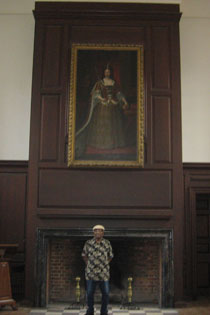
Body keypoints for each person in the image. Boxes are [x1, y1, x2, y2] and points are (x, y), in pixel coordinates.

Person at [75, 65, 129, 158]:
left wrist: (125, 101)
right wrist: (101, 98)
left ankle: (112, 144)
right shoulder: (99, 83)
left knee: (112, 125)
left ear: (111, 72)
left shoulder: (114, 83)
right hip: (102, 106)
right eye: (106, 71)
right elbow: (95, 94)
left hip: (113, 106)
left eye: (109, 71)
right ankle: (101, 144)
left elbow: (119, 94)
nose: (107, 73)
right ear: (104, 72)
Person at [82, 225, 114, 315]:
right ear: (93, 233)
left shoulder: (107, 243)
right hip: (91, 273)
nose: (97, 233)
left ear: (103, 233)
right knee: (89, 294)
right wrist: (88, 264)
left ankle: (104, 311)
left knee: (106, 293)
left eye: (99, 231)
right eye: (95, 231)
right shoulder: (88, 243)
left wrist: (105, 263)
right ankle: (90, 311)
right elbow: (84, 254)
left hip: (103, 274)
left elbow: (111, 255)